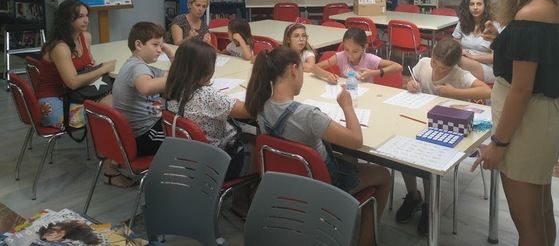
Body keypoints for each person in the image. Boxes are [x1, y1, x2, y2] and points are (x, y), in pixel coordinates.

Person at [471, 0, 559, 246]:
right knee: (541, 211)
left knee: (527, 224)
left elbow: (521, 89)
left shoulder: (530, 15)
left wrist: (498, 144)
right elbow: (536, 60)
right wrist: (502, 40)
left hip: (527, 125)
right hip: (544, 118)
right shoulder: (554, 6)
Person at [244, 47, 390, 246]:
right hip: (323, 185)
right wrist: (347, 105)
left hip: (286, 184)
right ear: (294, 70)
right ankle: (367, 241)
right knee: (383, 174)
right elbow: (356, 140)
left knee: (345, 158)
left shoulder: (260, 106)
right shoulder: (308, 115)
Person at [398, 37, 491, 234]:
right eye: (435, 64)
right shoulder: (424, 64)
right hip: (419, 120)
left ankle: (429, 207)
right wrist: (410, 85)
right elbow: (408, 79)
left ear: (454, 65)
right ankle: (413, 196)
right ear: (431, 56)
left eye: (443, 68)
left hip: (446, 128)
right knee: (403, 152)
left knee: (427, 161)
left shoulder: (459, 75)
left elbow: (486, 90)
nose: (437, 70)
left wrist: (454, 91)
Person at [165, 39, 252, 181]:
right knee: (253, 142)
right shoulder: (207, 95)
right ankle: (241, 198)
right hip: (218, 162)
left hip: (188, 158)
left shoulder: (172, 87)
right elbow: (249, 110)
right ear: (205, 70)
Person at [111, 22, 175, 186]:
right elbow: (146, 87)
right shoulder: (138, 68)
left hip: (139, 132)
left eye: (161, 45)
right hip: (145, 135)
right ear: (138, 44)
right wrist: (177, 79)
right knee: (187, 135)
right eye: (155, 45)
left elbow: (176, 71)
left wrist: (168, 51)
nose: (159, 49)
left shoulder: (136, 64)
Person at [37, 0, 116, 129]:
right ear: (67, 20)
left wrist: (95, 67)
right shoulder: (60, 47)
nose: (87, 20)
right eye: (80, 17)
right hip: (54, 103)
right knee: (113, 106)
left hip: (73, 96)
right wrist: (103, 69)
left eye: (86, 15)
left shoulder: (85, 37)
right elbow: (72, 83)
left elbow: (88, 66)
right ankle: (109, 146)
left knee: (119, 100)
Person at [316, 28, 402, 83]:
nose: (350, 55)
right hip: (346, 94)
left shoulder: (369, 59)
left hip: (365, 95)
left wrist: (373, 72)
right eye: (346, 49)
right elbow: (314, 67)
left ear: (365, 47)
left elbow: (398, 67)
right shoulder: (341, 56)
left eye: (355, 51)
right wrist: (328, 75)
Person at [452, 0, 501, 83]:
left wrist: (472, 57)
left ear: (485, 6)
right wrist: (460, 50)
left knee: (457, 61)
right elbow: (454, 45)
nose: (475, 7)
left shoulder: (493, 26)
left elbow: (496, 57)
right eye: (472, 4)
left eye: (479, 4)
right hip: (464, 62)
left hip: (487, 67)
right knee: (442, 54)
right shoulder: (462, 23)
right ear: (467, 7)